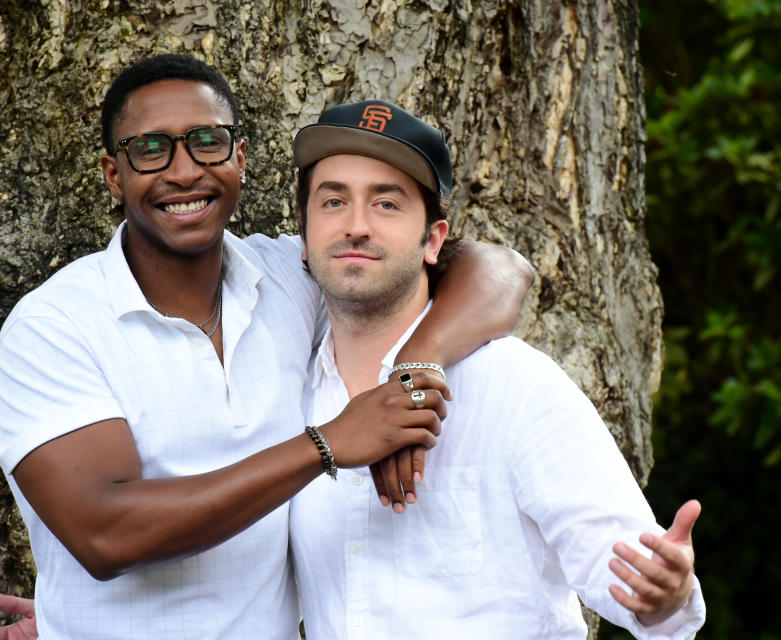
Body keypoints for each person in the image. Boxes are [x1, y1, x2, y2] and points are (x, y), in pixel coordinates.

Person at [0, 55, 532, 639]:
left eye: (207, 142)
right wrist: (325, 445)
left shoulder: (285, 277)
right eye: (151, 149)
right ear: (112, 172)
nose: (183, 172)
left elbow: (499, 268)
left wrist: (416, 361)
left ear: (239, 158)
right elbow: (106, 535)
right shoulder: (54, 326)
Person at [288, 100, 707, 639]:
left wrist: (661, 595)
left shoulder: (514, 384)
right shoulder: (289, 391)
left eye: (387, 204)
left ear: (433, 240)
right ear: (303, 233)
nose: (356, 226)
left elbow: (619, 560)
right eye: (333, 201)